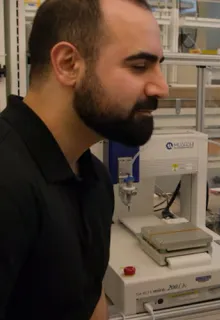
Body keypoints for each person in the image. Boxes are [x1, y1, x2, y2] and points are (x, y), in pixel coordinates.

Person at [0, 0, 168, 319]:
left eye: (159, 64)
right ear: (68, 64)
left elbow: (89, 300)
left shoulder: (94, 178)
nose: (162, 87)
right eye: (139, 66)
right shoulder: (7, 182)